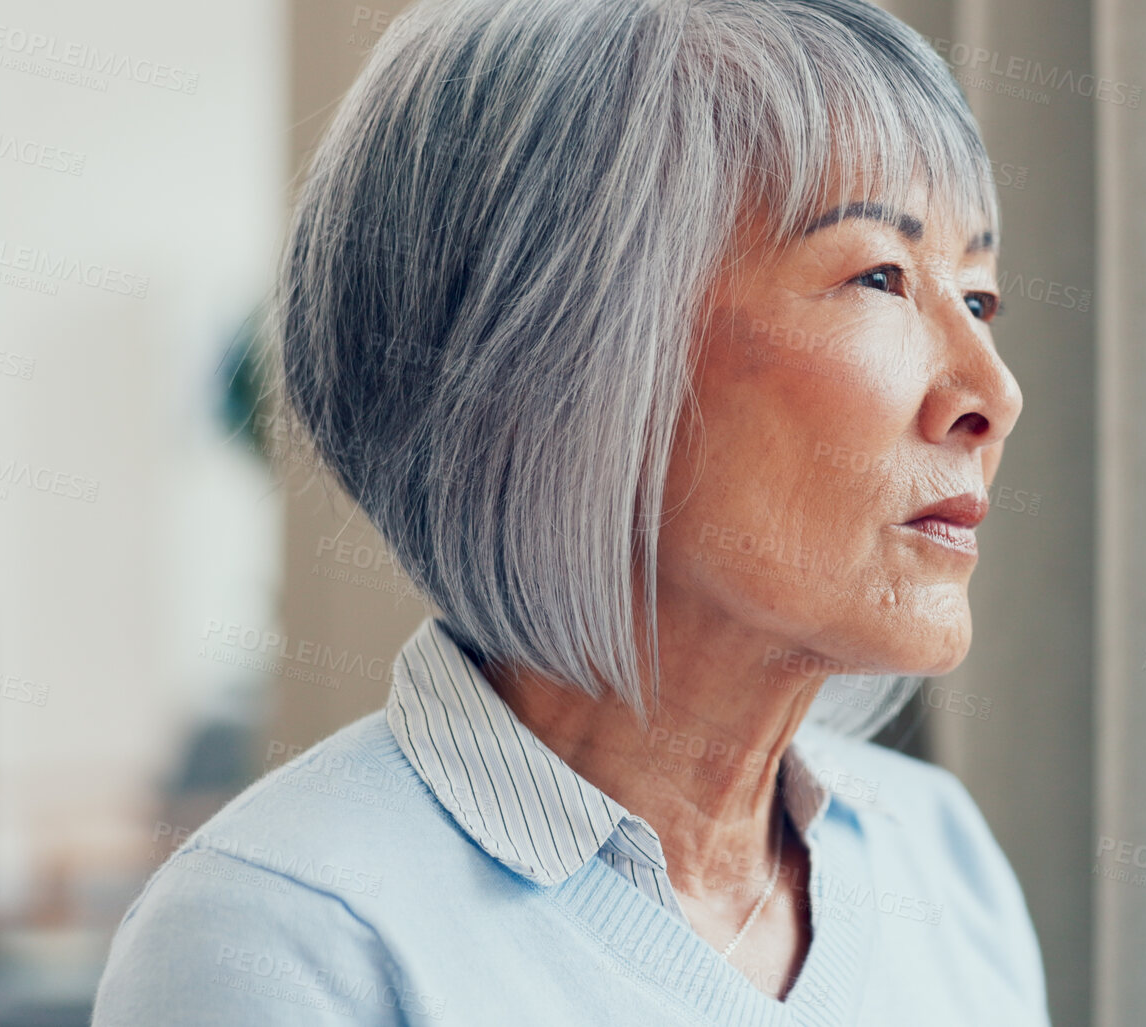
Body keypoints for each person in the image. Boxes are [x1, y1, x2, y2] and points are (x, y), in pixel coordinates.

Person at [90, 0, 1047, 1023]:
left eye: (979, 298)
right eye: (880, 277)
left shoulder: (939, 859)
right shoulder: (280, 939)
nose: (993, 392)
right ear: (562, 357)